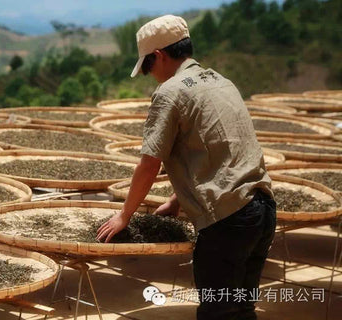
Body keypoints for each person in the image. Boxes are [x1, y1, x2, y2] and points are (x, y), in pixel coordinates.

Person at [96, 14, 276, 320]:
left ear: (159, 56)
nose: (150, 75)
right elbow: (222, 153)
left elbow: (149, 163)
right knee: (242, 308)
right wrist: (177, 200)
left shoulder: (170, 93)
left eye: (148, 67)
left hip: (228, 221)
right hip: (262, 209)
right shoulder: (221, 82)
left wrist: (124, 215)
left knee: (218, 312)